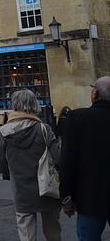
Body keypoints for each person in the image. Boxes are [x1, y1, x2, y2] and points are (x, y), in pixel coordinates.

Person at [0, 89, 61, 241]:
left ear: (15, 105)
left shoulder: (3, 132)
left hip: (21, 188)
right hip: (47, 187)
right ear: (34, 105)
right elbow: (58, 158)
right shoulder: (44, 129)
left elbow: (1, 162)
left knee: (26, 232)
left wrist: (8, 174)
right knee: (53, 231)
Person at [60, 76, 110, 240]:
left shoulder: (77, 118)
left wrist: (66, 196)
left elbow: (68, 160)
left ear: (94, 94)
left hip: (90, 197)